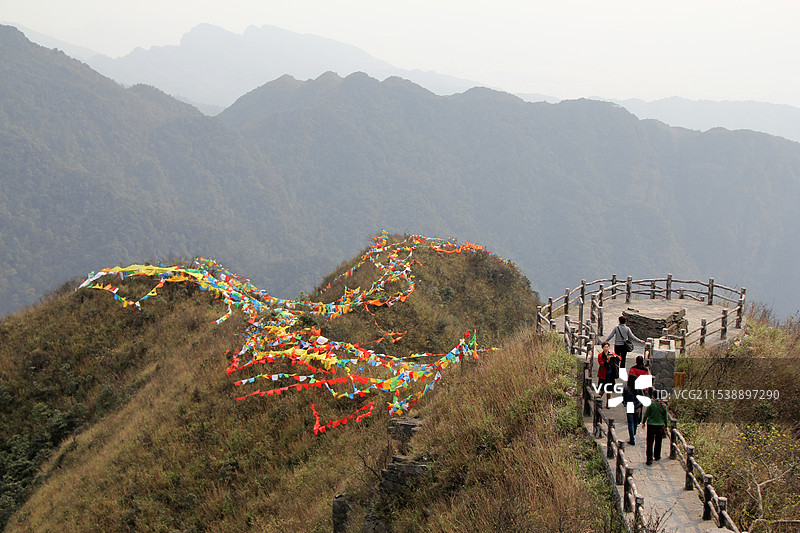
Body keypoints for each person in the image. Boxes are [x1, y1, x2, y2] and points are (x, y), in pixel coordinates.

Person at [641, 389, 668, 465]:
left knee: (650, 442)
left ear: (653, 396)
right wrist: (666, 426)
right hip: (660, 425)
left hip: (651, 425)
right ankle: (657, 456)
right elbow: (665, 417)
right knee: (658, 441)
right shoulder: (663, 405)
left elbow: (646, 414)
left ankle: (649, 459)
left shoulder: (651, 404)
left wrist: (643, 422)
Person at [596, 342, 619, 408]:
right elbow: (601, 364)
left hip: (610, 374)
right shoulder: (600, 355)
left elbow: (619, 358)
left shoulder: (611, 353)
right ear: (602, 348)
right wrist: (607, 361)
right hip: (603, 374)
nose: (606, 348)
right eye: (605, 347)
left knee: (609, 390)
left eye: (607, 347)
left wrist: (615, 357)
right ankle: (597, 400)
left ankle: (608, 403)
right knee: (602, 390)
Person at [622, 376, 642, 445]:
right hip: (637, 406)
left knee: (630, 423)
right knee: (635, 422)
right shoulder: (638, 388)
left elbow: (624, 398)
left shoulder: (627, 388)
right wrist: (640, 406)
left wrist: (625, 403)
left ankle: (632, 438)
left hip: (629, 406)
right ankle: (634, 433)